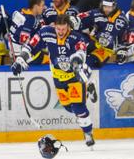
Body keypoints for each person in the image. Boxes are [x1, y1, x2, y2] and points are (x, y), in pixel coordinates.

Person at [11, 14, 96, 146]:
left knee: (78, 107)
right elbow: (31, 46)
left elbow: (81, 52)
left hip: (74, 77)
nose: (60, 32)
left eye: (63, 29)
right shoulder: (46, 32)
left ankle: (88, 133)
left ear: (68, 27)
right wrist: (20, 60)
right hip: (58, 77)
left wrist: (77, 60)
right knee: (69, 108)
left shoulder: (76, 37)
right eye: (58, 29)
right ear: (54, 26)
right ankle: (88, 90)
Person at [77, 0, 127, 97]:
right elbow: (79, 18)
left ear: (114, 6)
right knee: (76, 58)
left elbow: (122, 38)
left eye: (109, 7)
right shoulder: (95, 13)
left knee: (88, 62)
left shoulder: (122, 19)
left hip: (106, 50)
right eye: (105, 6)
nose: (107, 9)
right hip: (92, 42)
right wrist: (73, 20)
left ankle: (87, 86)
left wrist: (122, 50)